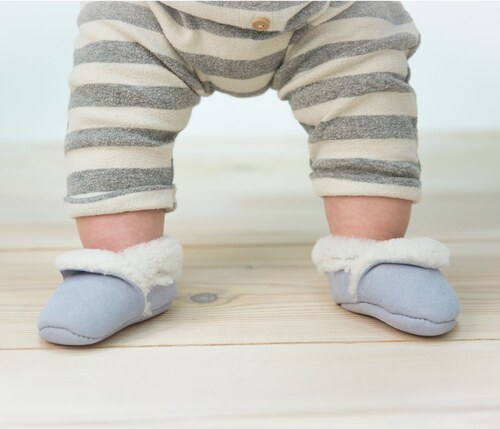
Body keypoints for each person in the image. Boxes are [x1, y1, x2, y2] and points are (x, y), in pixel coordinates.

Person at [37, 1, 460, 346]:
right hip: (151, 13)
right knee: (115, 117)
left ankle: (369, 254)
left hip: (331, 13)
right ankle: (123, 263)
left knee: (367, 110)